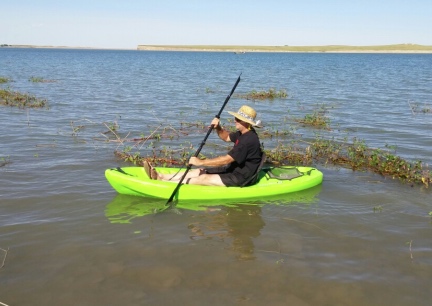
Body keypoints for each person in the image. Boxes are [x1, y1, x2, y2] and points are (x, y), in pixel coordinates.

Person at [144, 105, 263, 186]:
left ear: (247, 123)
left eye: (238, 119)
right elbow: (226, 137)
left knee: (203, 178)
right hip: (233, 170)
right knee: (200, 172)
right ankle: (161, 176)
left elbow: (226, 160)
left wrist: (200, 161)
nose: (234, 120)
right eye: (236, 117)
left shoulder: (248, 140)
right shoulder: (243, 133)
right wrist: (218, 127)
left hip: (242, 177)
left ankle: (165, 184)